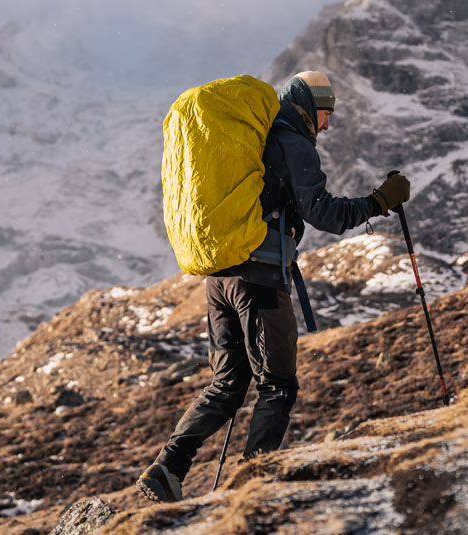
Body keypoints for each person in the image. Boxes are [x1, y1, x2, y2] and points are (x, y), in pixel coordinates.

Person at [138, 71, 411, 503]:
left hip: (220, 279)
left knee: (227, 384)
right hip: (259, 279)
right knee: (278, 385)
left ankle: (167, 468)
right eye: (326, 115)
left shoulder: (259, 139)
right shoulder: (291, 140)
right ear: (310, 105)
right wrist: (380, 201)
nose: (326, 126)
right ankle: (251, 487)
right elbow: (324, 213)